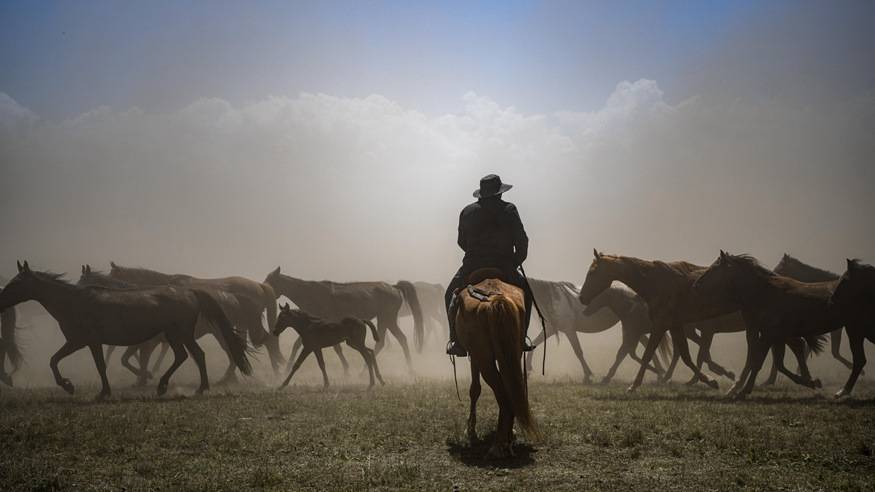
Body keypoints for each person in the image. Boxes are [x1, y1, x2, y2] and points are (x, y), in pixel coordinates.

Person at [445, 174, 534, 357]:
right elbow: (522, 241)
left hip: (472, 266)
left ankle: (455, 341)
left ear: (481, 194)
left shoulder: (467, 211)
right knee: (527, 293)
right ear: (500, 193)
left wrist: (475, 254)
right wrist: (513, 262)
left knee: (449, 295)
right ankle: (522, 337)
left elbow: (461, 242)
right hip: (504, 265)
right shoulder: (509, 209)